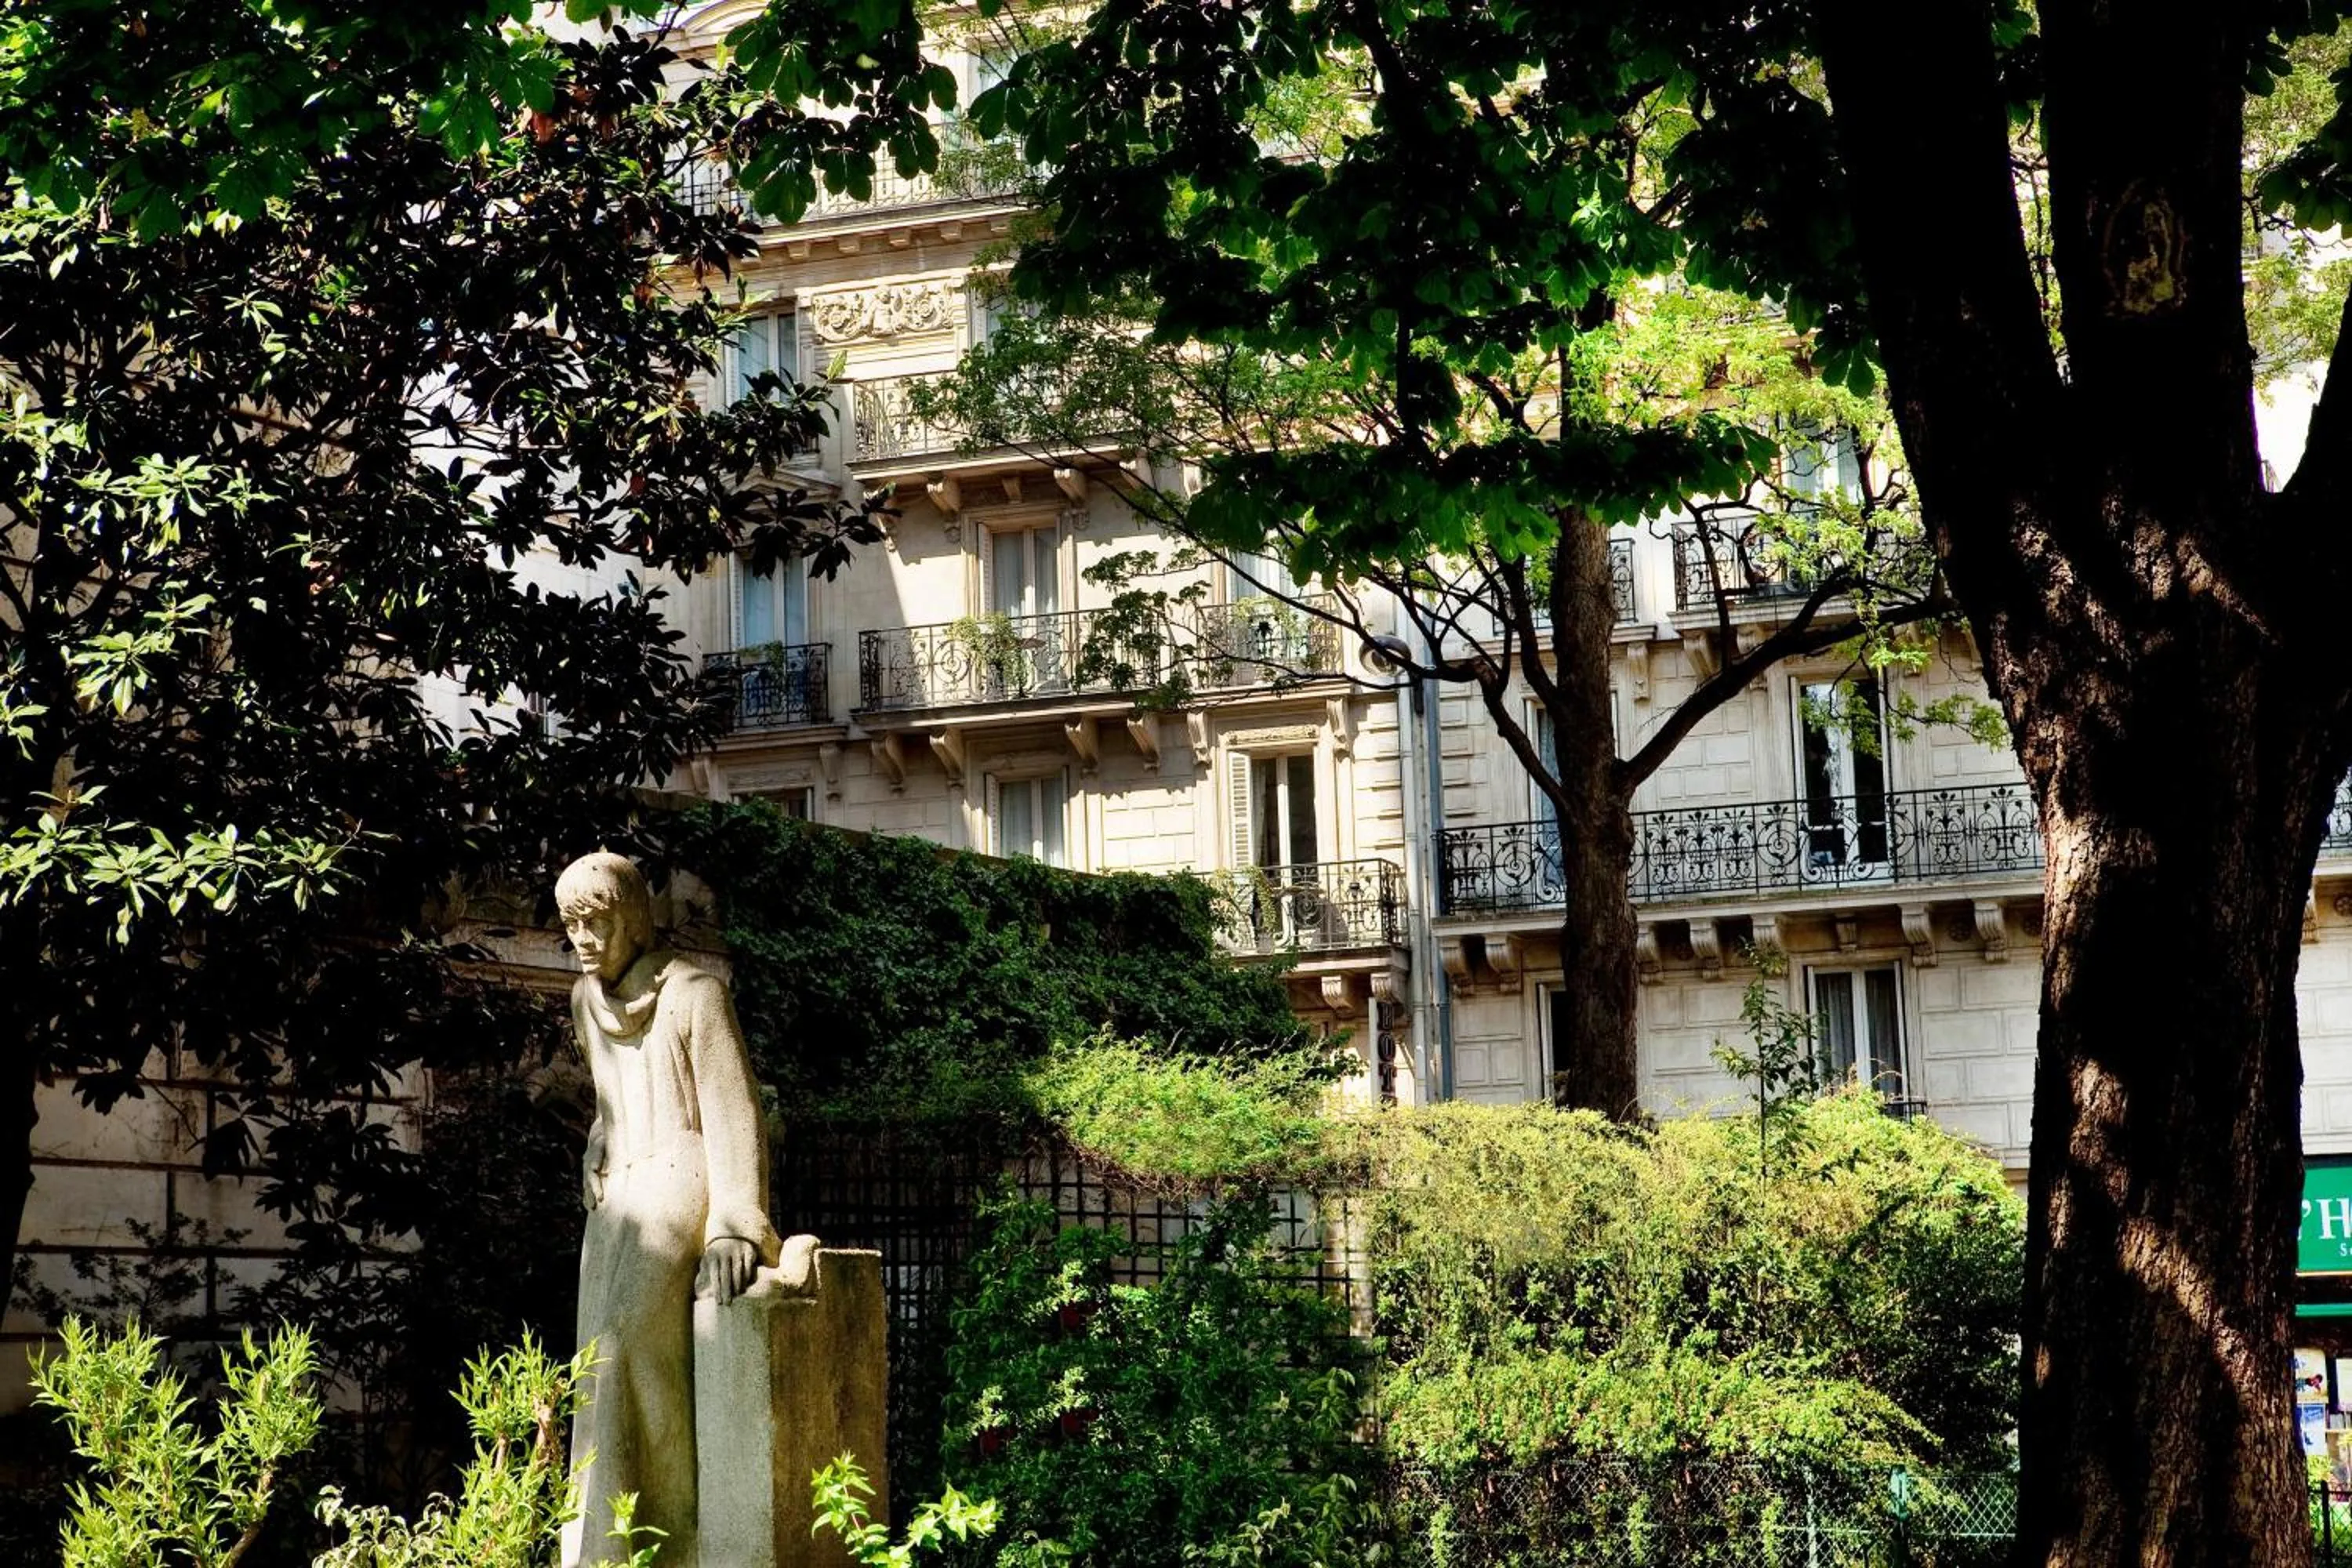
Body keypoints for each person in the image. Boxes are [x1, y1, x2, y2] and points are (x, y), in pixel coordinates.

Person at [554, 851, 782, 1568]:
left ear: (632, 919)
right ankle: (596, 1546)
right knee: (593, 1368)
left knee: (625, 1351)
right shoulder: (582, 1001)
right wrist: (597, 1139)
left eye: (596, 923)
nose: (584, 940)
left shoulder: (695, 995)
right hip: (617, 1193)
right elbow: (608, 1100)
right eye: (572, 926)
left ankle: (664, 1542)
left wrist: (735, 1223)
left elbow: (732, 1110)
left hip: (682, 1177)